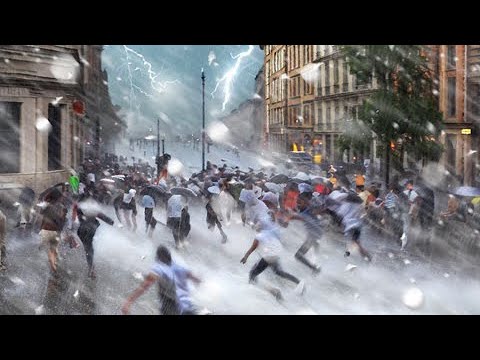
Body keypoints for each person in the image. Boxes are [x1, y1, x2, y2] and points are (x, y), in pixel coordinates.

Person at [240, 217, 305, 296]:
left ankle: (267, 292)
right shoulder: (271, 232)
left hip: (268, 257)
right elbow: (282, 226)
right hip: (275, 255)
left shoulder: (259, 236)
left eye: (258, 225)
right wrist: (287, 220)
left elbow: (253, 248)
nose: (256, 227)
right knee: (279, 272)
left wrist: (245, 257)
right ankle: (298, 282)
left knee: (252, 274)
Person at [122, 246, 181, 315]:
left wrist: (129, 301)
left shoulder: (159, 269)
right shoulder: (174, 266)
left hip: (171, 303)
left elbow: (144, 287)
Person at [75, 196, 114, 279]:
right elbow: (102, 216)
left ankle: (90, 266)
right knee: (89, 248)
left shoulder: (80, 208)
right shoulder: (92, 209)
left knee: (88, 248)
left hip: (81, 230)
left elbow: (78, 218)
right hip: (89, 230)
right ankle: (91, 268)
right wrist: (110, 221)